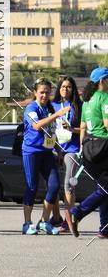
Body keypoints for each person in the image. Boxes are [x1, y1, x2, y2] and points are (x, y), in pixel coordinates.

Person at [21, 78, 70, 235]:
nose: (44, 95)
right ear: (35, 92)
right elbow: (37, 125)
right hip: (32, 152)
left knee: (54, 186)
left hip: (47, 152)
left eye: (47, 92)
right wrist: (56, 115)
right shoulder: (31, 108)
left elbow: (51, 132)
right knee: (32, 186)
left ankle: (44, 221)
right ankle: (27, 223)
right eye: (41, 92)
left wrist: (59, 149)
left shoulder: (48, 108)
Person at [64, 67, 108, 239]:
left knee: (103, 187)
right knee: (105, 187)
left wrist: (83, 150)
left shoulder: (88, 101)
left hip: (88, 147)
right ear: (102, 81)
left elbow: (82, 127)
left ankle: (104, 228)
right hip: (103, 146)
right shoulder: (104, 97)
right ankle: (77, 212)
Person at [51, 75, 82, 230]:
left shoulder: (79, 105)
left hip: (72, 150)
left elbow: (85, 129)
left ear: (73, 89)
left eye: (69, 86)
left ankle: (69, 220)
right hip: (55, 149)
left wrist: (72, 129)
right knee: (52, 185)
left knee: (68, 185)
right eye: (63, 86)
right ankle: (55, 218)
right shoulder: (53, 105)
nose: (65, 89)